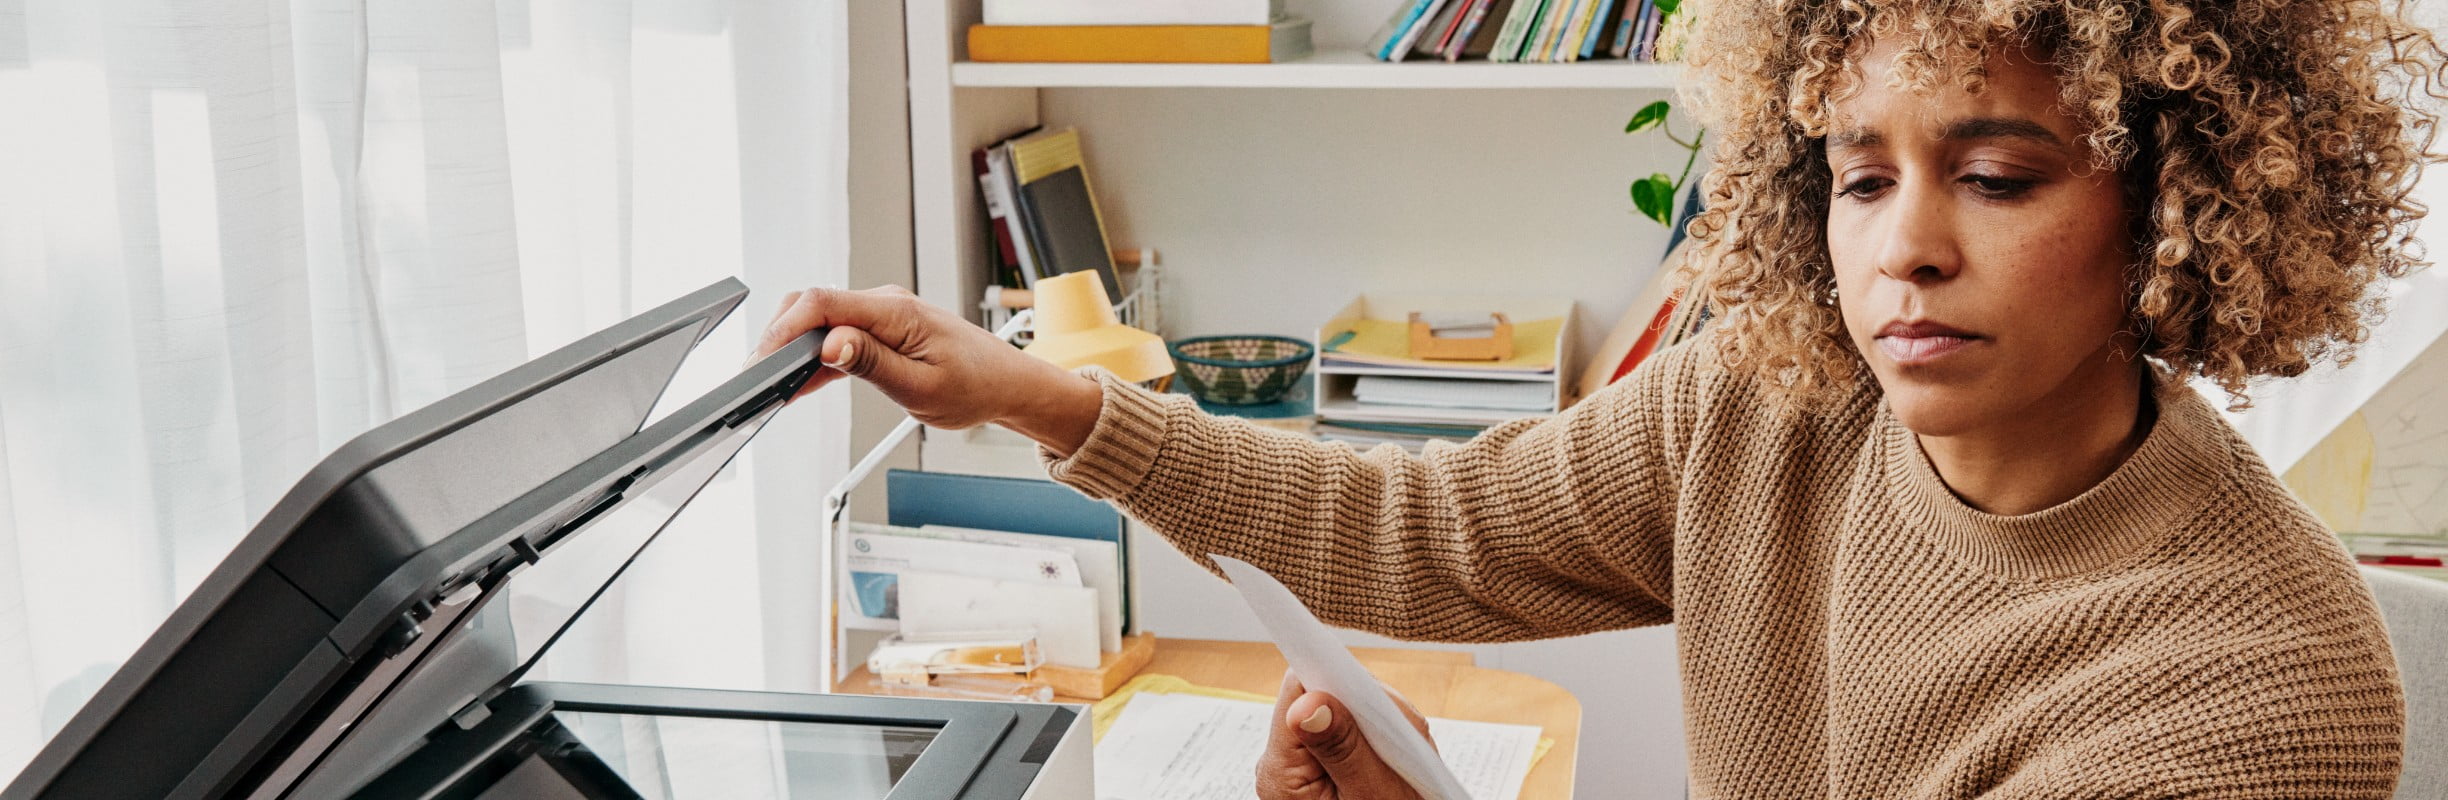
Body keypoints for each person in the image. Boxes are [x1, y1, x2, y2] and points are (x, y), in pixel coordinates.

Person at [757, 0, 2447, 795]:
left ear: (2178, 195)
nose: (1906, 251)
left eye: (1998, 176)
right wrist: (1043, 400)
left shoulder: (2253, 690)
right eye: (1861, 179)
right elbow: (1425, 529)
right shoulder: (1777, 405)